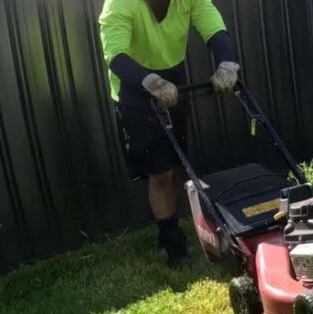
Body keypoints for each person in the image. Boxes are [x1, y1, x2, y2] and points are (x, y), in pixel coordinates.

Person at [98, 0, 240, 267]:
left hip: (173, 77)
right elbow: (115, 55)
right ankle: (173, 245)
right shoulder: (119, 4)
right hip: (134, 86)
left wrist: (227, 63)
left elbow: (213, 28)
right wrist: (151, 82)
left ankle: (180, 224)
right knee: (160, 172)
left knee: (176, 163)